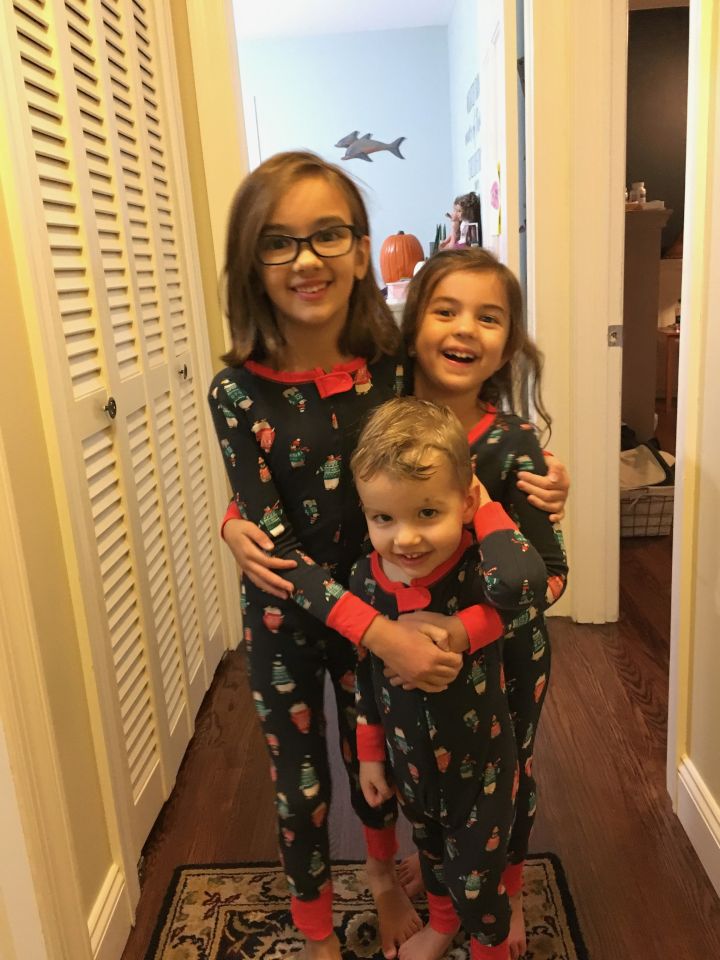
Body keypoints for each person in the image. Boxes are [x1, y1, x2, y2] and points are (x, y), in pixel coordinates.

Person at [207, 151, 548, 960]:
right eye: (279, 242)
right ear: (251, 262)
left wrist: (537, 476)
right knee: (300, 783)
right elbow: (272, 530)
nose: (307, 260)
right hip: (292, 615)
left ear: (362, 252)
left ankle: (388, 880)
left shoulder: (392, 367)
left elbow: (457, 436)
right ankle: (316, 933)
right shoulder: (236, 393)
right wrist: (233, 519)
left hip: (398, 593)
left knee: (388, 758)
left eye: (328, 235)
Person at [395, 248, 568, 960]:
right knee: (422, 776)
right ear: (412, 327)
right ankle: (442, 894)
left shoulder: (516, 445)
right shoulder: (384, 429)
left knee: (507, 777)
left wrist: (468, 631)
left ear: (508, 344)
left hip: (507, 657)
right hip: (408, 650)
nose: (465, 328)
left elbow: (552, 576)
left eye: (488, 317)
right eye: (446, 310)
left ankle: (507, 886)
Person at [351, 397, 528, 960]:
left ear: (466, 502)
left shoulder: (482, 570)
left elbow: (519, 599)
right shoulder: (365, 580)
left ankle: (487, 944)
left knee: (479, 881)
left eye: (427, 513)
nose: (406, 539)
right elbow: (365, 676)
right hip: (409, 764)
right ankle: (442, 923)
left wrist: (460, 630)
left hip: (482, 767)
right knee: (429, 851)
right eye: (384, 518)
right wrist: (371, 756)